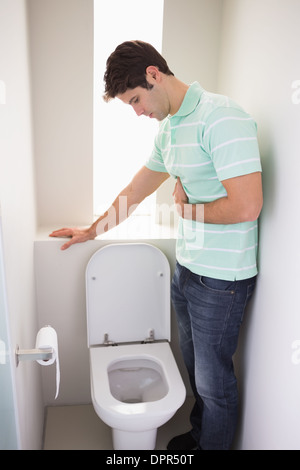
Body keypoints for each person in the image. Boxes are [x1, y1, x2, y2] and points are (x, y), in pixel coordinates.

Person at [50, 40, 263, 450]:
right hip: (187, 271)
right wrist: (91, 232)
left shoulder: (222, 117)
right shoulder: (171, 129)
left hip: (222, 279)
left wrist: (187, 211)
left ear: (153, 74)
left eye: (135, 100)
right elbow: (136, 191)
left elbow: (247, 206)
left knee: (214, 382)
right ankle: (202, 436)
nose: (138, 112)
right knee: (195, 369)